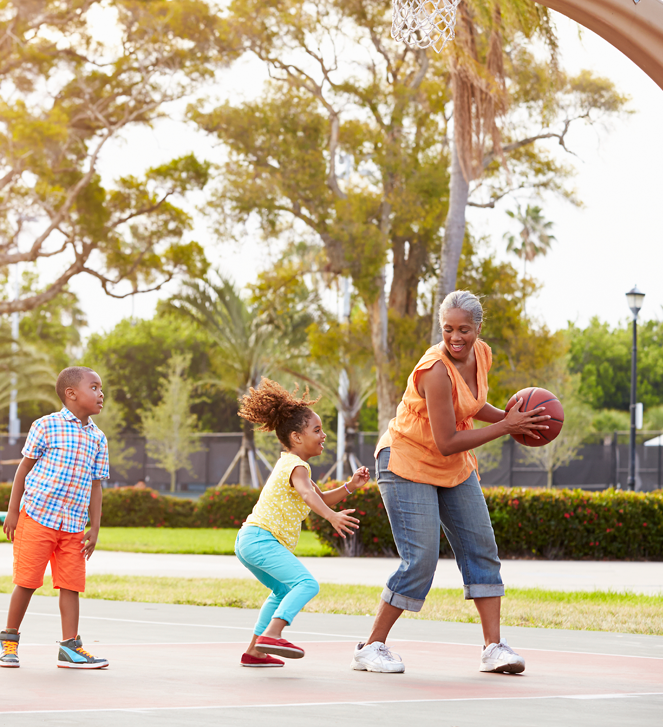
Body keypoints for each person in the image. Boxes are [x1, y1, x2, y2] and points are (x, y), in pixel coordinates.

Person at [352, 290, 549, 676]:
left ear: (478, 327)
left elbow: (472, 407)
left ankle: (494, 648)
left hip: (452, 467)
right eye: (447, 329)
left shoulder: (481, 354)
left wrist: (512, 420)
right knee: (421, 559)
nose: (455, 337)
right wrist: (505, 428)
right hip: (406, 461)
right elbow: (446, 441)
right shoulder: (436, 370)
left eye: (463, 329)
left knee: (482, 547)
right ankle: (371, 646)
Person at [234, 378, 370, 669]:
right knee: (306, 584)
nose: (323, 436)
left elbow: (321, 495)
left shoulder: (294, 466)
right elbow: (310, 496)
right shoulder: (297, 465)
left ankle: (254, 652)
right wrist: (331, 518)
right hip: (261, 539)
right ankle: (272, 635)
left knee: (283, 590)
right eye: (317, 430)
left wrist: (351, 486)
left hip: (250, 540)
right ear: (296, 437)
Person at [0, 366, 109, 670]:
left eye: (100, 389)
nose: (101, 394)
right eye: (94, 388)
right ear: (72, 394)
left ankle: (70, 647)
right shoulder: (46, 426)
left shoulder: (99, 439)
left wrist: (94, 527)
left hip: (73, 527)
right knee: (27, 582)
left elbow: (96, 485)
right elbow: (24, 468)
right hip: (37, 517)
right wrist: (13, 510)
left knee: (71, 585)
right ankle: (8, 639)